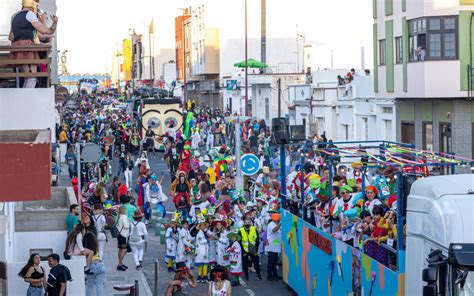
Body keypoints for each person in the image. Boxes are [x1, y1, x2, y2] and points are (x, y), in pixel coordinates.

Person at [9, 0, 58, 88]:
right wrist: (54, 22)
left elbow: (11, 37)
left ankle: (24, 99)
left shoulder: (15, 16)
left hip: (17, 47)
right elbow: (46, 31)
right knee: (31, 78)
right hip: (26, 47)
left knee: (28, 78)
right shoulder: (30, 14)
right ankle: (26, 100)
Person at [239, 217, 262, 281]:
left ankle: (258, 275)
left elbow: (257, 240)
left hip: (253, 249)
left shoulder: (254, 229)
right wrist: (243, 251)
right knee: (245, 264)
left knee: (256, 263)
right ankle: (246, 275)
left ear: (251, 223)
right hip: (245, 250)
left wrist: (256, 251)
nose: (247, 224)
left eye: (249, 222)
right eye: (246, 222)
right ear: (244, 223)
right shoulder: (240, 230)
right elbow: (240, 242)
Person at [266, 213, 282, 281]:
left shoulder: (276, 224)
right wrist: (280, 224)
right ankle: (269, 276)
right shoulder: (271, 224)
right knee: (271, 261)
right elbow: (274, 230)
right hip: (271, 246)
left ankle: (275, 274)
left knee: (275, 262)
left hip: (276, 246)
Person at [116, 205, 131, 271]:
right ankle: (119, 264)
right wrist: (129, 222)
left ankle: (121, 263)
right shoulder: (124, 217)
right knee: (124, 250)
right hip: (123, 235)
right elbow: (126, 226)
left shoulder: (118, 216)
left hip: (119, 234)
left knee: (120, 250)